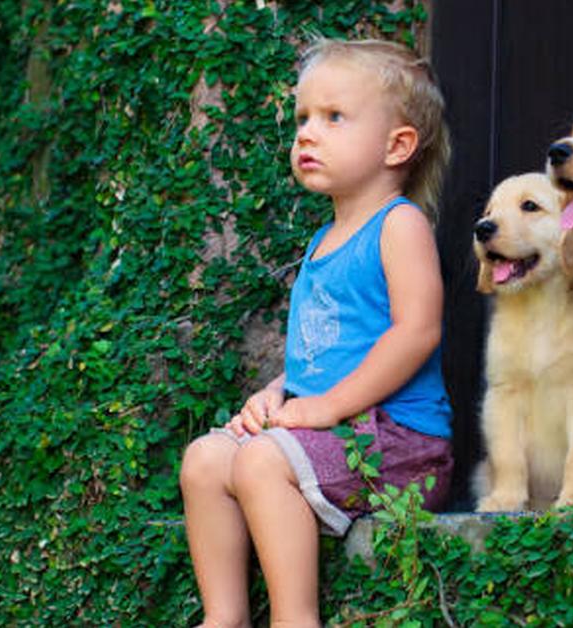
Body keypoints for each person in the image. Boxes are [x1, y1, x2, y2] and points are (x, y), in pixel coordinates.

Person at [178, 37, 454, 628]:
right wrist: (280, 390)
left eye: (333, 118)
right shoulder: (321, 242)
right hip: (332, 428)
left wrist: (323, 407)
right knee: (205, 460)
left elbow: (416, 333)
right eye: (303, 118)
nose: (306, 133)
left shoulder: (398, 226)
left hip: (401, 446)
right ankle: (224, 617)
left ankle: (294, 618)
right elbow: (327, 349)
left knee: (257, 464)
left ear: (397, 144)